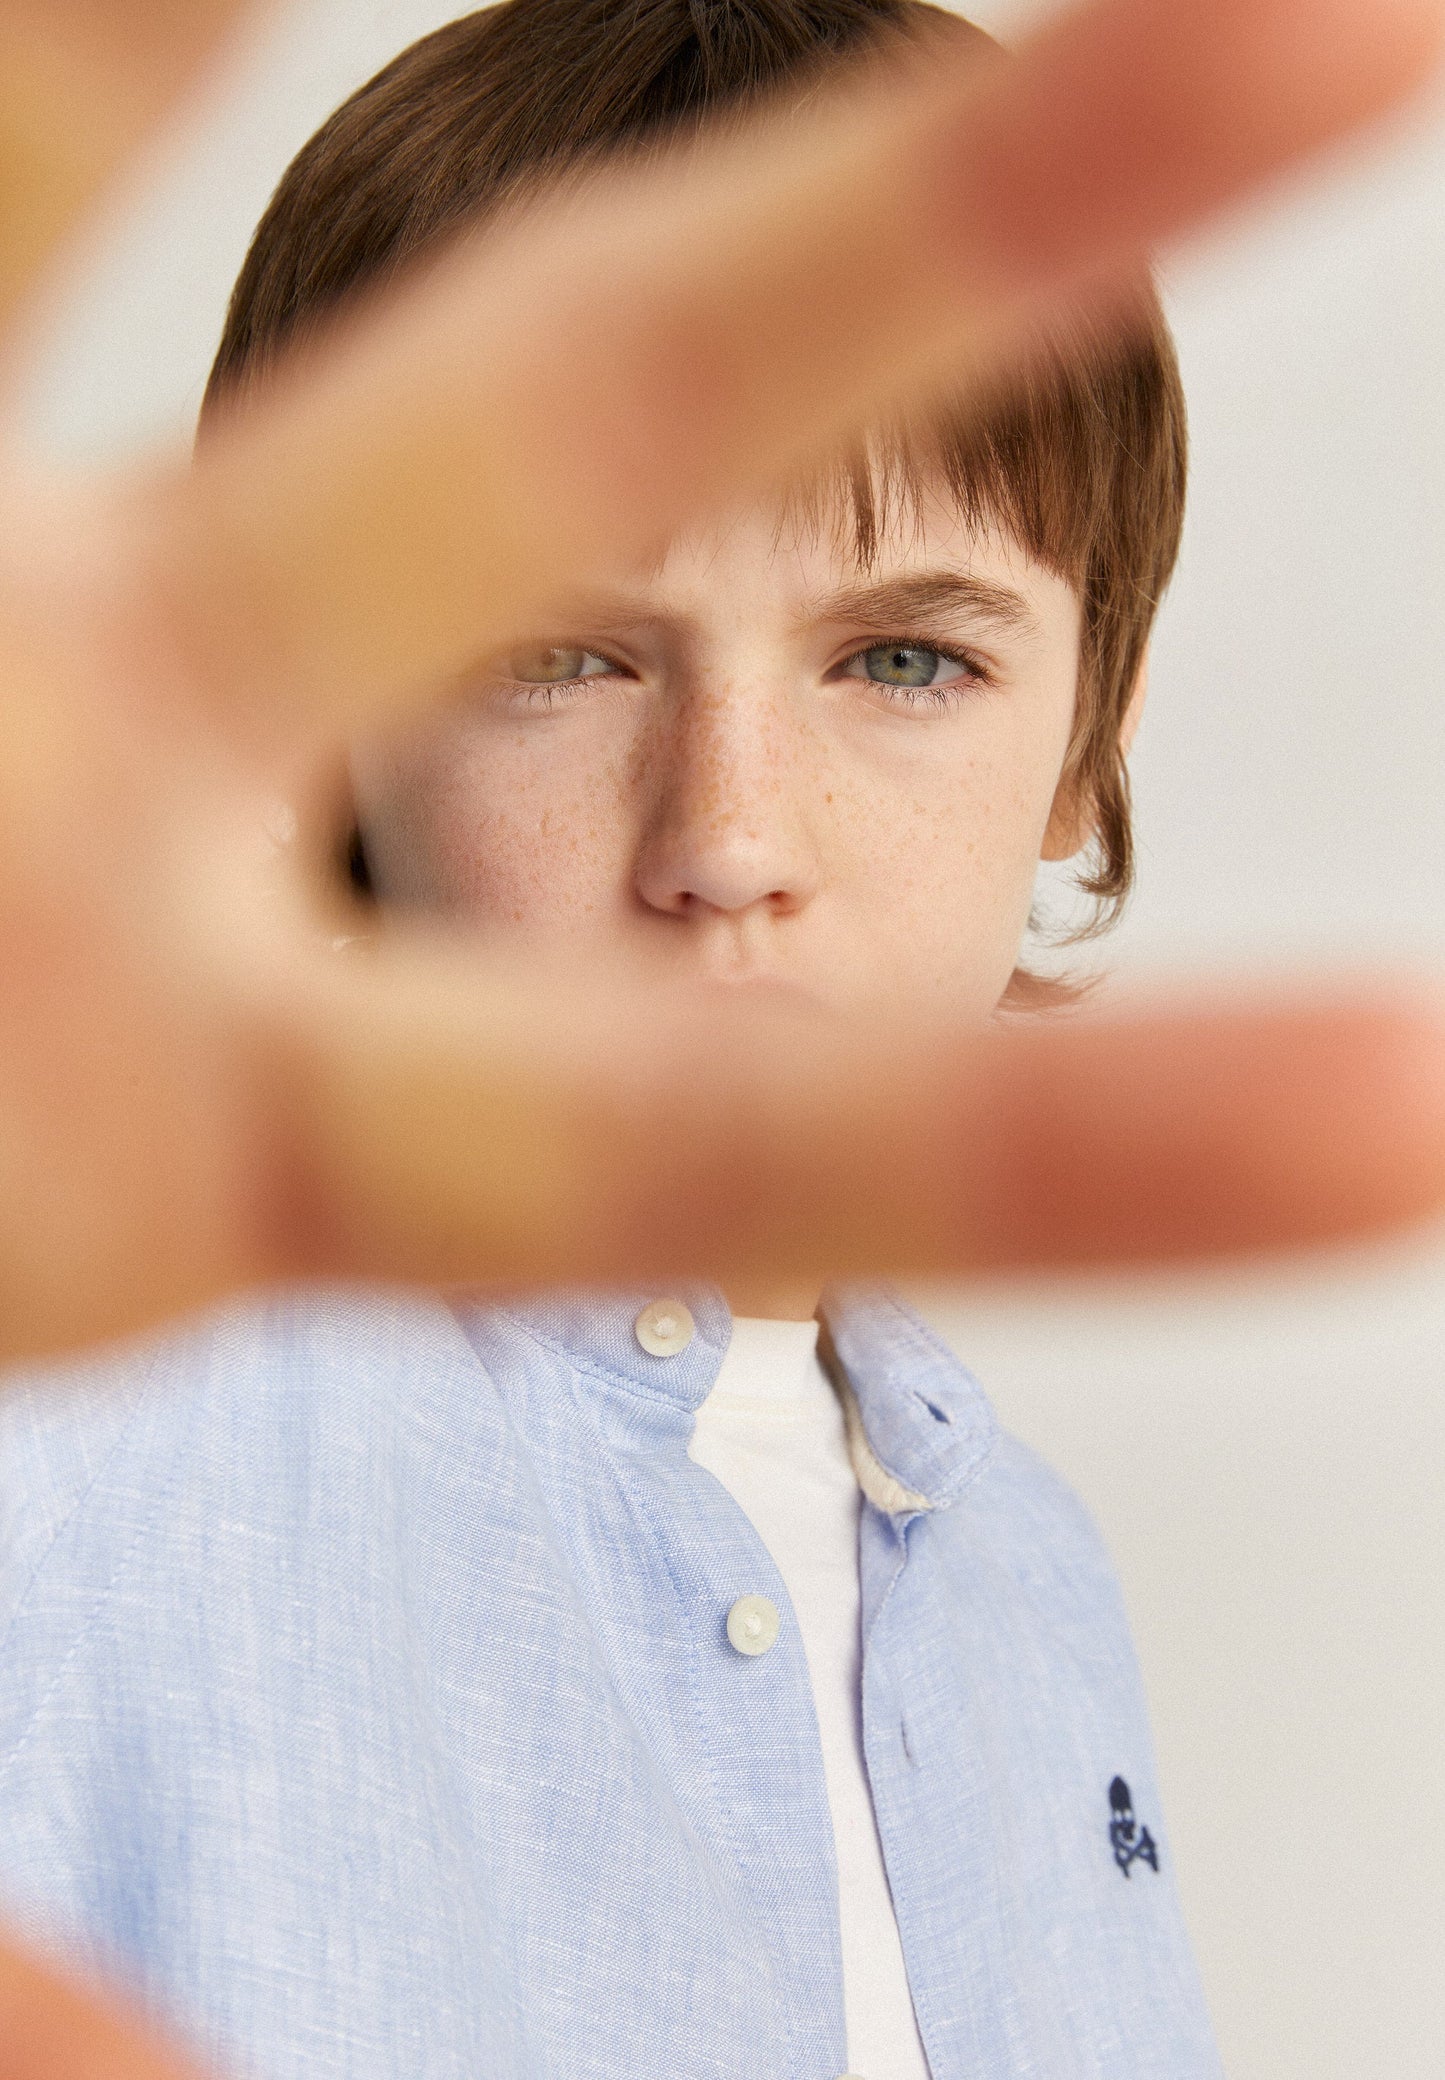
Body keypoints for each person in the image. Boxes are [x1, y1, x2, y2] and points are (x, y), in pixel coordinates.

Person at [0, 0, 1442, 2076]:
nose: (731, 838)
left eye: (905, 659)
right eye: (560, 655)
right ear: (323, 735)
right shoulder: (91, 1424)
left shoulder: (1027, 1573)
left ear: (1086, 747)